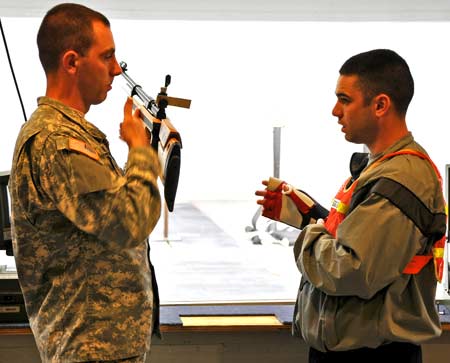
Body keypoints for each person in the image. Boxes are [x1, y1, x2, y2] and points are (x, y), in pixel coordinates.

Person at [256, 49, 446, 362]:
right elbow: (357, 242)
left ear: (381, 105)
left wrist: (308, 235)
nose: (335, 111)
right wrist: (311, 215)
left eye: (345, 100)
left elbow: (350, 271)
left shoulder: (402, 178)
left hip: (373, 356)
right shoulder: (380, 169)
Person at [9, 3, 161, 363]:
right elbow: (130, 223)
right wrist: (140, 151)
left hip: (101, 346)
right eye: (107, 56)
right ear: (72, 62)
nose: (116, 68)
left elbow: (110, 212)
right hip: (90, 348)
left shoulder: (71, 134)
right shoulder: (56, 141)